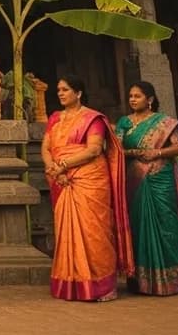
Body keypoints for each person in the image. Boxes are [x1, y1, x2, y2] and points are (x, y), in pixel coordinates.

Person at [43, 77, 133, 302]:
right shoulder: (55, 118)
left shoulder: (93, 119)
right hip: (61, 178)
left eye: (65, 90)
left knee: (94, 231)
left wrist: (63, 166)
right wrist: (54, 169)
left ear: (79, 93)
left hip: (89, 178)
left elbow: (93, 150)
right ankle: (73, 284)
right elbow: (46, 148)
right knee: (67, 232)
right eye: (59, 90)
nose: (61, 94)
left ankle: (102, 286)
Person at [117, 81, 178, 296]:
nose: (132, 99)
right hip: (135, 180)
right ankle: (141, 281)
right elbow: (117, 150)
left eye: (137, 96)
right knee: (139, 226)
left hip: (161, 178)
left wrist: (156, 153)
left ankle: (171, 281)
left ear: (149, 99)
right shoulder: (124, 123)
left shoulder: (164, 123)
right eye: (130, 96)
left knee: (166, 223)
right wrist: (136, 153)